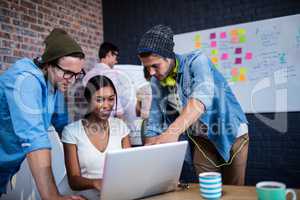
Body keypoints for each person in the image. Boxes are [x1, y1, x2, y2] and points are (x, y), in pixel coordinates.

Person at [137, 25, 249, 185]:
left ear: (168, 57)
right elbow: (154, 120)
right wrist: (149, 149)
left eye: (155, 65)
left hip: (231, 133)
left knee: (235, 191)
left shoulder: (197, 60)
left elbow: (201, 98)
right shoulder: (156, 80)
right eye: (146, 67)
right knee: (207, 190)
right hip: (201, 140)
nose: (151, 72)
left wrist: (172, 132)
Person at [0, 28, 86, 199]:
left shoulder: (56, 83)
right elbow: (35, 139)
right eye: (67, 73)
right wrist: (53, 197)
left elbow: (64, 127)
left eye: (77, 74)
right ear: (48, 63)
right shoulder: (26, 81)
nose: (72, 80)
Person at [62, 75, 131, 199]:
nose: (106, 105)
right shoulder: (71, 132)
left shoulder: (120, 127)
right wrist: (96, 183)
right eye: (99, 100)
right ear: (88, 100)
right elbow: (73, 180)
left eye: (111, 99)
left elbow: (129, 167)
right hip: (81, 196)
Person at [83, 42, 139, 145]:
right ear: (108, 54)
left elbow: (87, 99)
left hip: (91, 120)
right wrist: (122, 121)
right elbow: (115, 97)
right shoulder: (111, 73)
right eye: (115, 56)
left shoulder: (88, 75)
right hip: (109, 120)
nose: (116, 60)